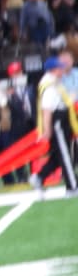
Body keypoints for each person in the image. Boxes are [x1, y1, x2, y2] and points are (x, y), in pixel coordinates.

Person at [30, 55, 77, 192]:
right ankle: (72, 186)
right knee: (65, 155)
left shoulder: (55, 82)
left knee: (58, 154)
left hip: (62, 121)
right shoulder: (49, 86)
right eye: (60, 68)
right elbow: (47, 110)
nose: (63, 71)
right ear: (54, 70)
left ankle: (39, 177)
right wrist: (47, 130)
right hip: (58, 123)